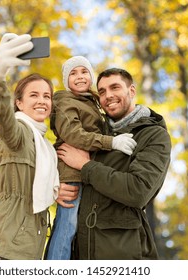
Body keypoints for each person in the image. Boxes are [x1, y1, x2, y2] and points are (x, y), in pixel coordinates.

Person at [56, 68, 172, 259]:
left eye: (115, 87)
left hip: (123, 252)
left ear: (131, 91)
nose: (108, 96)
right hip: (80, 250)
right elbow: (61, 154)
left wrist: (86, 166)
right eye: (101, 91)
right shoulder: (93, 133)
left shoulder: (153, 135)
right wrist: (55, 188)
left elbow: (138, 191)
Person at [0, 33, 59, 260]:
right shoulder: (19, 133)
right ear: (19, 103)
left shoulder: (45, 147)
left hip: (26, 254)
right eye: (34, 95)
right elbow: (2, 113)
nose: (42, 100)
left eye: (47, 96)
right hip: (2, 252)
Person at [45, 57, 137, 260]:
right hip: (72, 174)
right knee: (67, 226)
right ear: (65, 80)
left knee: (79, 229)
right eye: (73, 73)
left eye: (84, 72)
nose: (80, 77)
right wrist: (111, 143)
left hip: (87, 172)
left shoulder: (91, 102)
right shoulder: (65, 101)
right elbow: (73, 135)